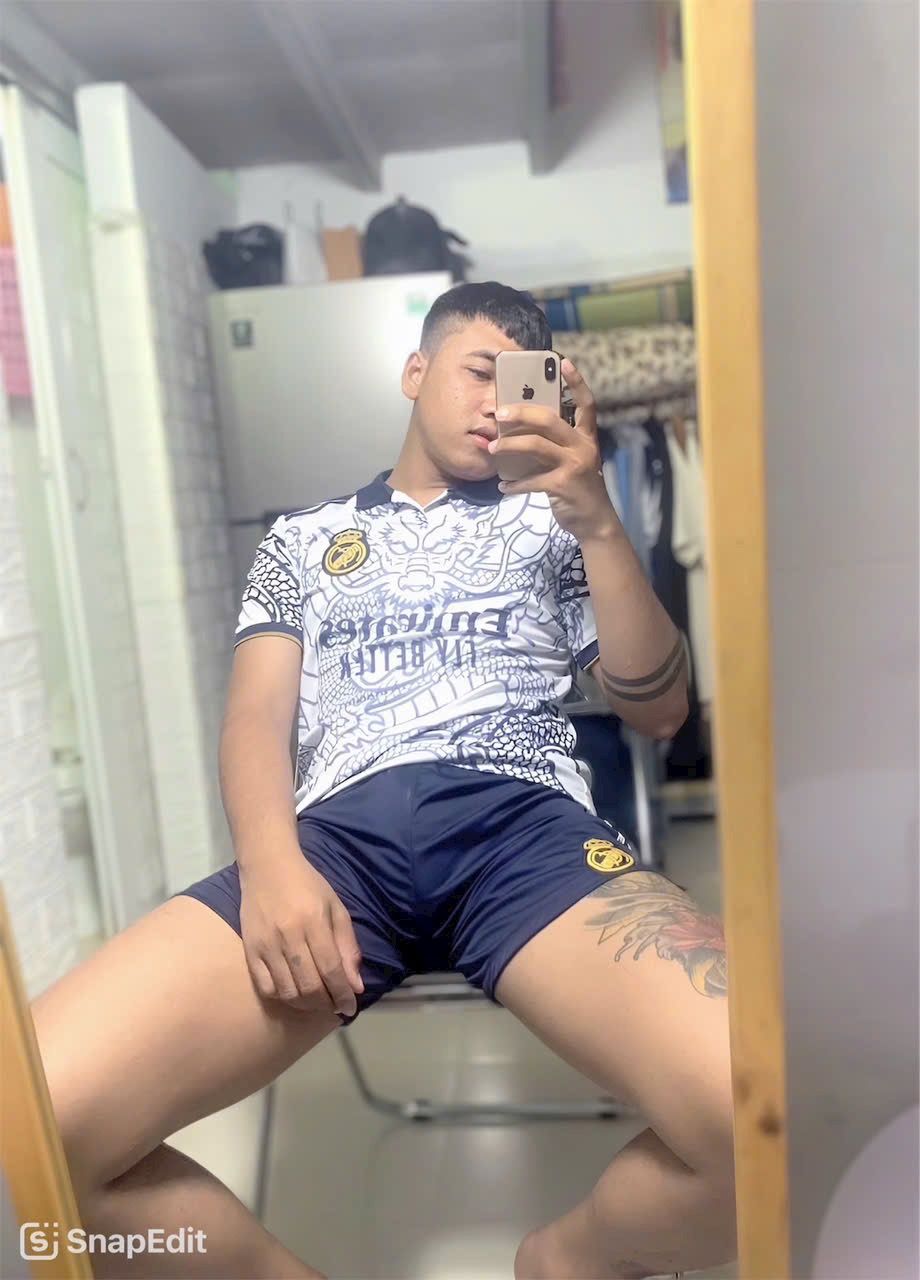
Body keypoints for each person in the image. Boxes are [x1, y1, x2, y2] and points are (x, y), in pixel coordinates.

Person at [30, 283, 735, 1280]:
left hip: (524, 834)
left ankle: (569, 1261)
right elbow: (254, 718)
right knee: (32, 1128)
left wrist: (599, 523)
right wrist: (269, 864)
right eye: (478, 372)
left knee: (769, 1103)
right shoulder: (303, 539)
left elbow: (658, 709)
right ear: (414, 371)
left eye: (521, 383)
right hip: (337, 846)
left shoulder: (560, 520)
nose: (496, 403)